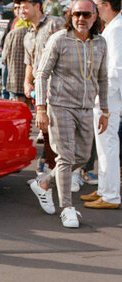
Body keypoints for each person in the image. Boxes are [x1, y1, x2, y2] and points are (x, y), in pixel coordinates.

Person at [31, 0, 108, 228]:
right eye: (77, 14)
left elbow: (103, 78)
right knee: (65, 157)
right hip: (60, 106)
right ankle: (67, 208)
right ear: (70, 15)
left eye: (86, 14)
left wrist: (105, 110)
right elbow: (41, 74)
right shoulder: (59, 39)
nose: (81, 19)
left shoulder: (101, 43)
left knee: (82, 158)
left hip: (86, 108)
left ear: (95, 17)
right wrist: (41, 110)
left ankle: (43, 184)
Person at [82, 0, 121, 209]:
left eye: (97, 3)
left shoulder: (116, 29)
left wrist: (105, 103)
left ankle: (111, 195)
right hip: (105, 98)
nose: (94, 8)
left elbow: (115, 70)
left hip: (108, 100)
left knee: (108, 146)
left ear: (106, 4)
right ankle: (106, 189)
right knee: (104, 147)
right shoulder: (113, 27)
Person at [22, 0, 64, 179]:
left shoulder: (56, 23)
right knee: (45, 130)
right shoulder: (28, 34)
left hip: (59, 86)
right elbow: (30, 62)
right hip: (40, 89)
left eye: (25, 6)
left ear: (37, 6)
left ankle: (72, 172)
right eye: (19, 7)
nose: (21, 11)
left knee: (62, 131)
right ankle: (50, 166)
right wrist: (26, 82)